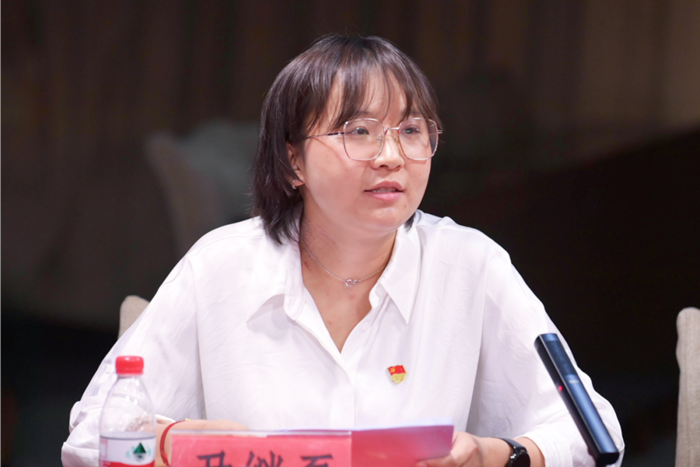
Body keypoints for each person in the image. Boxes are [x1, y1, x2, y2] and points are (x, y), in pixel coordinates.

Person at [62, 35, 623, 467]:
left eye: (411, 131)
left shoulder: (470, 265)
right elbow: (90, 438)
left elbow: (594, 435)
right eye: (358, 131)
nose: (390, 156)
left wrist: (497, 454)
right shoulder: (221, 267)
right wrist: (170, 440)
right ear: (293, 161)